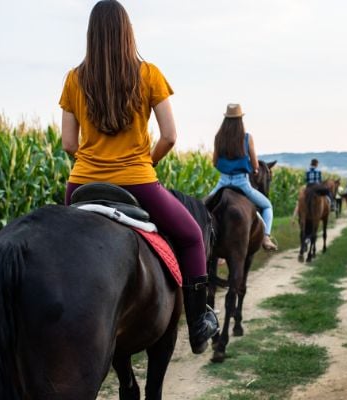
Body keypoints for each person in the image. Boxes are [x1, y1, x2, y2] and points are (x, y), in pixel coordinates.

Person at [58, 0, 217, 355]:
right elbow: (170, 136)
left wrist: (92, 161)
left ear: (91, 35)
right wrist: (145, 163)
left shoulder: (74, 78)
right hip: (137, 181)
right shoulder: (149, 75)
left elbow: (69, 143)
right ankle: (197, 323)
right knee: (192, 235)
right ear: (128, 33)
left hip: (81, 184)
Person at [209, 103, 277, 251]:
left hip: (223, 182)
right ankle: (266, 237)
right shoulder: (247, 138)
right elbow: (255, 164)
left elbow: (214, 162)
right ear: (240, 119)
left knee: (203, 208)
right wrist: (256, 170)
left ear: (225, 119)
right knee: (267, 206)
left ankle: (207, 242)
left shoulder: (218, 138)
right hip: (242, 183)